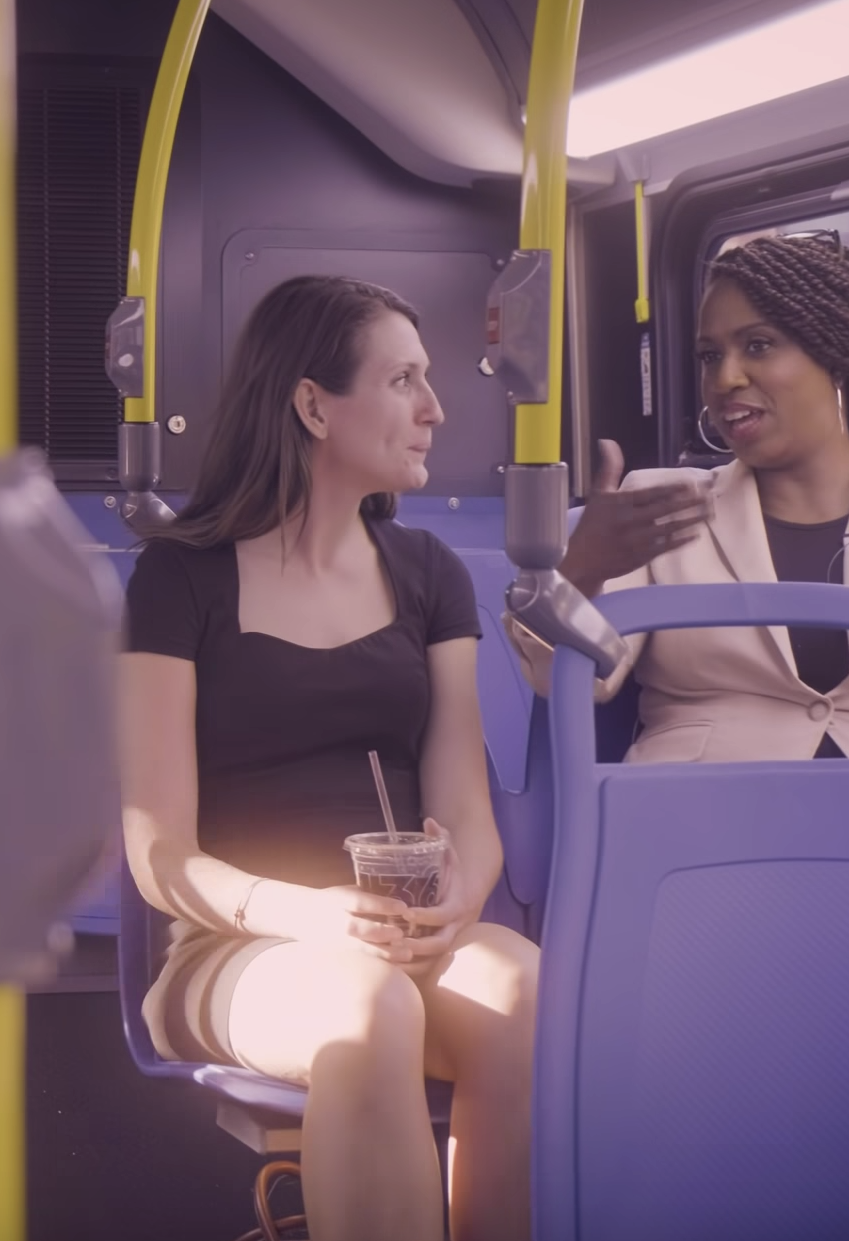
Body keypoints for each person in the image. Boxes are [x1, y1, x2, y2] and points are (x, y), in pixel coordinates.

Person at [121, 275, 537, 1241]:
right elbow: (158, 853)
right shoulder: (179, 579)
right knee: (366, 1004)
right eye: (402, 380)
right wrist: (307, 913)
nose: (434, 409)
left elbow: (465, 811)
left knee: (525, 988)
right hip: (229, 947)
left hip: (402, 935)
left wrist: (457, 903)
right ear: (313, 405)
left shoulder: (429, 574)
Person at [510, 231, 849, 820]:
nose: (726, 378)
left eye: (759, 346)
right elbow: (572, 682)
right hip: (691, 825)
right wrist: (579, 573)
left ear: (837, 357)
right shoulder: (658, 503)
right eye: (710, 356)